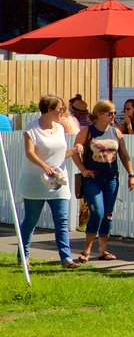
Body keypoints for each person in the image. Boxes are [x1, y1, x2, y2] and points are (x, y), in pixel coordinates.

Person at [17, 94, 79, 268]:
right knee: (30, 220)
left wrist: (73, 150)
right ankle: (23, 255)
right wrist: (44, 166)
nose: (62, 111)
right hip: (36, 183)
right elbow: (30, 153)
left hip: (57, 182)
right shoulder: (32, 129)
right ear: (49, 109)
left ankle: (66, 258)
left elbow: (59, 154)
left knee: (62, 220)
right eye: (60, 108)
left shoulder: (59, 128)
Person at [71, 99, 134, 262]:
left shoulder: (116, 132)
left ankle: (103, 250)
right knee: (97, 212)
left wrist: (131, 174)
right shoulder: (87, 131)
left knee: (107, 214)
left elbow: (124, 155)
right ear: (100, 114)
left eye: (115, 113)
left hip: (111, 178)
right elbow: (74, 152)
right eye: (110, 113)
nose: (113, 116)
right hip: (93, 178)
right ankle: (87, 249)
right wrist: (83, 170)